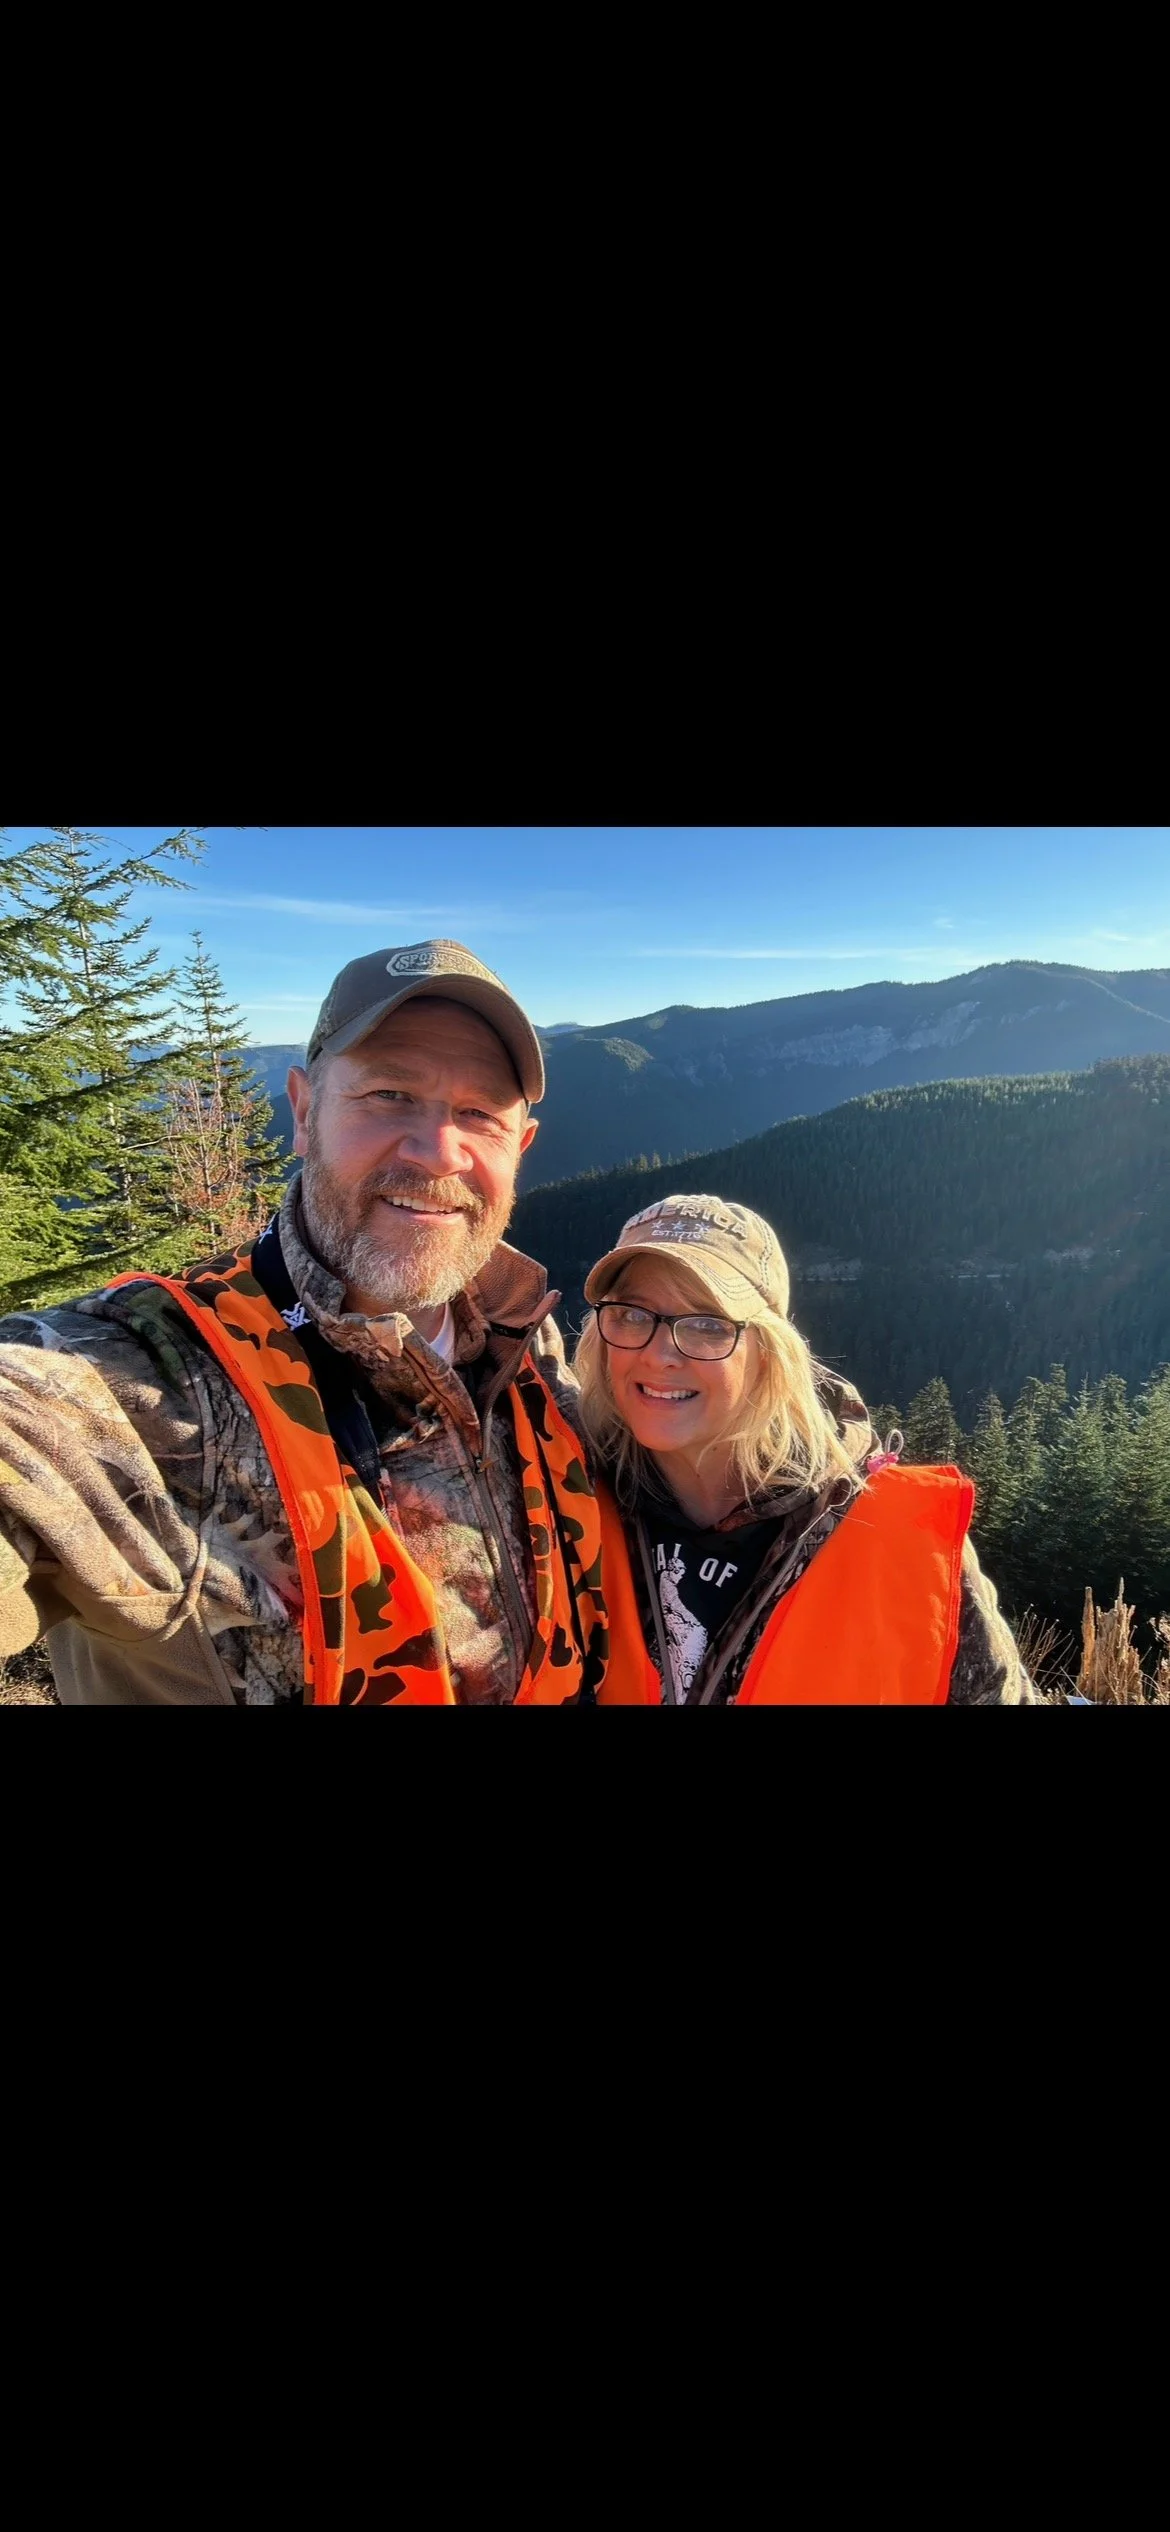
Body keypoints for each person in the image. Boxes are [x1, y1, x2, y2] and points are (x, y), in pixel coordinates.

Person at [0, 940, 611, 1706]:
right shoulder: (151, 1378)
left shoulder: (527, 1344)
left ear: (519, 1148)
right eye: (390, 1094)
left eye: (479, 1114)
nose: (437, 1153)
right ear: (303, 1110)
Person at [574, 1194, 1034, 1704]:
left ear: (769, 1353)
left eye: (708, 1325)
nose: (659, 1355)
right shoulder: (564, 1505)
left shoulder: (896, 1544)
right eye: (633, 1315)